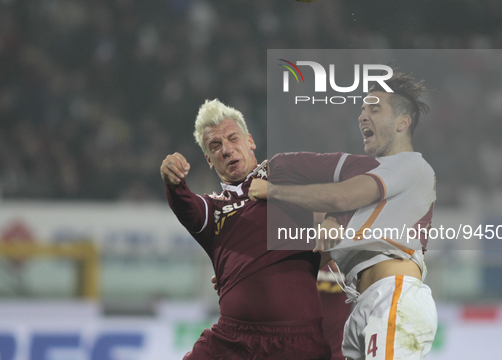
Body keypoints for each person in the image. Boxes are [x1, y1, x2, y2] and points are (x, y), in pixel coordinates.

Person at [161, 99, 378, 360]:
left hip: (294, 342)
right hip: (230, 341)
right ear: (208, 159)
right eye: (216, 146)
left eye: (233, 138)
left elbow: (365, 170)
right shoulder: (213, 208)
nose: (227, 150)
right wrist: (173, 182)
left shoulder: (283, 169)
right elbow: (187, 208)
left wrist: (336, 218)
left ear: (250, 141)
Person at [249, 73, 437, 360]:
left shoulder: (412, 167)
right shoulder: (375, 184)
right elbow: (315, 255)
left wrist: (273, 191)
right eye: (362, 109)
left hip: (394, 298)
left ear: (402, 123)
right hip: (365, 304)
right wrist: (246, 273)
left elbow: (340, 196)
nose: (362, 116)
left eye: (374, 109)